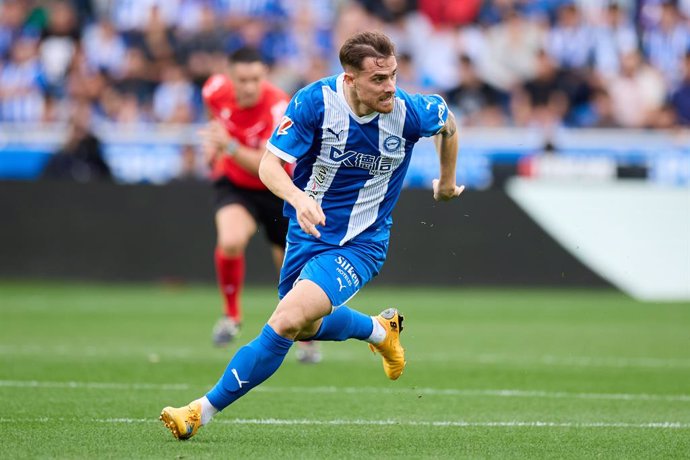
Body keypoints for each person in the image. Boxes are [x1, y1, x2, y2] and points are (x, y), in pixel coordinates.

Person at [160, 30, 463, 440]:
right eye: (378, 79)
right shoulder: (314, 102)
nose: (390, 86)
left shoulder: (409, 110)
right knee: (302, 325)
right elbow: (270, 165)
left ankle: (199, 411)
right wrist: (298, 197)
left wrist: (446, 181)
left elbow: (448, 123)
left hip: (362, 242)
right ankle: (380, 330)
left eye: (393, 75)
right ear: (350, 79)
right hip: (307, 232)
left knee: (285, 321)